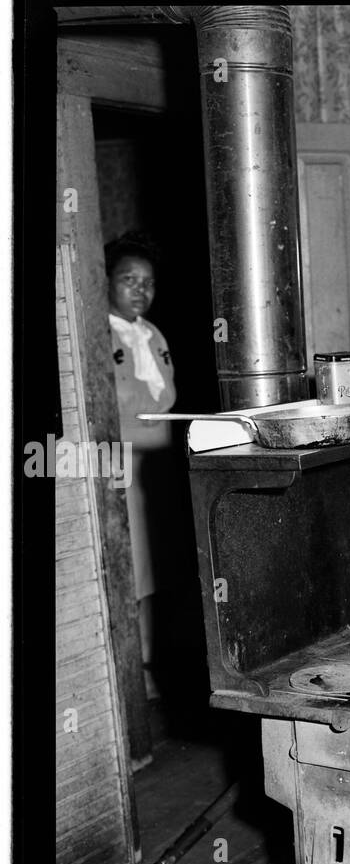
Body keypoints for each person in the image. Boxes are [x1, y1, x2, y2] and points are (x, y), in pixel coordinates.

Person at [106, 233, 177, 694]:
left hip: (157, 468)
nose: (140, 290)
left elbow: (164, 402)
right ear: (106, 281)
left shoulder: (153, 334)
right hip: (118, 469)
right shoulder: (98, 333)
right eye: (129, 280)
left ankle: (149, 671)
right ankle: (126, 680)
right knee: (128, 573)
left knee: (154, 574)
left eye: (148, 282)